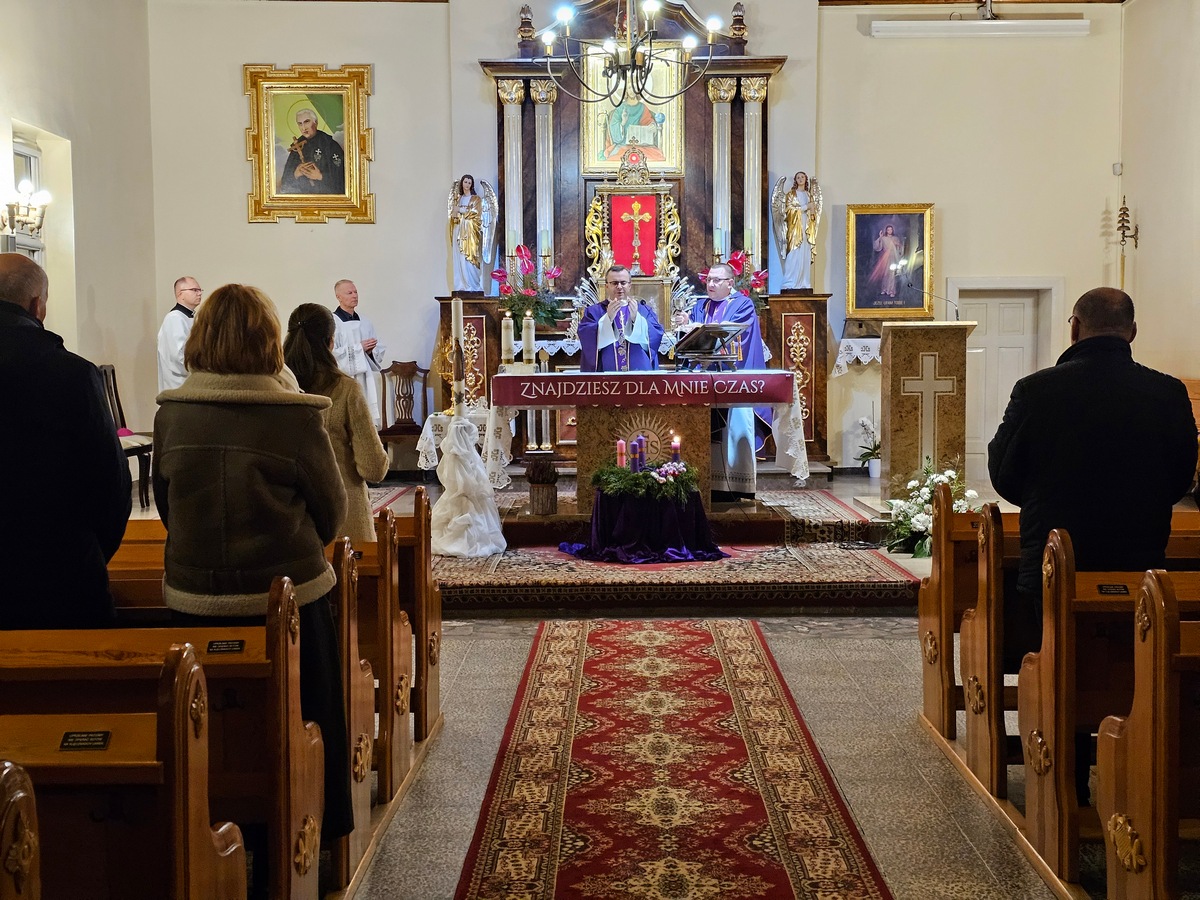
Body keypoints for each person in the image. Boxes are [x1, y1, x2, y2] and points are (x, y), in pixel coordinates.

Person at [152, 283, 352, 867]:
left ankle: (206, 830)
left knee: (211, 730)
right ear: (269, 341)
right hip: (287, 602)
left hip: (193, 600)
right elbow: (331, 512)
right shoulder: (294, 416)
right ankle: (316, 829)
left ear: (200, 338)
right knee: (307, 713)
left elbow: (166, 507)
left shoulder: (172, 416)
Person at [989, 287, 1197, 669]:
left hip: (1056, 560)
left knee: (1059, 666)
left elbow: (1003, 473)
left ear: (1075, 329)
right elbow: (1181, 477)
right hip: (1139, 558)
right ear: (1132, 331)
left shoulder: (1036, 391)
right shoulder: (1168, 394)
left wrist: (1043, 496)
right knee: (1132, 668)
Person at [0, 253, 131, 629]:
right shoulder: (72, 374)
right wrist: (87, 554)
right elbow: (111, 483)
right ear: (37, 306)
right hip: (58, 576)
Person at [284, 303, 389, 544]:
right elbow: (373, 468)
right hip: (344, 519)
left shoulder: (275, 388)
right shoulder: (345, 389)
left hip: (290, 523)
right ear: (331, 342)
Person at [672, 262, 771, 501]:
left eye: (717, 280)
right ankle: (705, 483)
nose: (711, 284)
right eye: (709, 280)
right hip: (704, 379)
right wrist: (685, 323)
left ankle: (734, 487)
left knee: (732, 431)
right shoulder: (701, 305)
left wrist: (697, 328)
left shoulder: (742, 304)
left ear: (730, 283)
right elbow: (694, 336)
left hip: (734, 380)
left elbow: (733, 334)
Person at [577, 265, 665, 372]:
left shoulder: (644, 310)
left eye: (623, 283)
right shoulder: (594, 312)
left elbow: (656, 334)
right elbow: (586, 336)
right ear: (606, 286)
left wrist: (636, 320)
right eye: (614, 283)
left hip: (639, 373)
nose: (619, 286)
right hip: (606, 374)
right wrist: (607, 319)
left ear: (630, 285)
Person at [331, 279, 387, 426]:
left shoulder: (366, 322)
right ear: (338, 297)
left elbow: (378, 349)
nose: (354, 295)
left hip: (365, 379)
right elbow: (331, 353)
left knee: (365, 420)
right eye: (349, 293)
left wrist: (370, 351)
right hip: (343, 379)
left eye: (355, 292)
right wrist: (358, 348)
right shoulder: (332, 322)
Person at [278, 108, 346, 195]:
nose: (303, 128)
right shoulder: (296, 147)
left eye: (307, 122)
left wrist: (320, 176)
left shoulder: (329, 145)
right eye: (300, 124)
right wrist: (295, 174)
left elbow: (342, 178)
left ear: (315, 123)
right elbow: (285, 185)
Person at [157, 275, 202, 391]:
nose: (199, 293)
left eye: (200, 290)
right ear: (180, 294)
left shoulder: (188, 318)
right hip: (178, 385)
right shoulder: (175, 318)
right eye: (194, 290)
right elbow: (179, 356)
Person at [449, 174, 484, 293]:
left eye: (469, 182)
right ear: (462, 183)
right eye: (465, 182)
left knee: (470, 258)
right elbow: (454, 217)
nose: (467, 184)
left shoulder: (476, 199)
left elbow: (476, 213)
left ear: (472, 185)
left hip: (470, 233)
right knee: (460, 258)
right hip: (459, 231)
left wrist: (460, 210)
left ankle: (473, 285)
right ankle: (461, 285)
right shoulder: (458, 199)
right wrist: (455, 214)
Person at [781, 172, 814, 291]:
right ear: (795, 180)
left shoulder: (809, 195)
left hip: (806, 228)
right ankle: (790, 282)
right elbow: (788, 210)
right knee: (793, 254)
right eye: (798, 177)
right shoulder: (791, 194)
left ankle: (804, 282)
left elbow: (813, 213)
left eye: (802, 177)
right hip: (795, 229)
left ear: (806, 179)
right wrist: (805, 207)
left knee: (804, 254)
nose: (800, 179)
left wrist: (812, 213)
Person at [869, 224, 903, 297]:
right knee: (885, 274)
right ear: (886, 231)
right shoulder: (884, 238)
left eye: (891, 229)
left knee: (892, 274)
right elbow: (876, 247)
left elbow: (900, 247)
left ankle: (891, 291)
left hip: (893, 257)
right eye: (888, 230)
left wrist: (897, 244)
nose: (890, 231)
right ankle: (884, 289)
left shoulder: (895, 238)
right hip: (885, 258)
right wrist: (880, 237)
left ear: (892, 230)